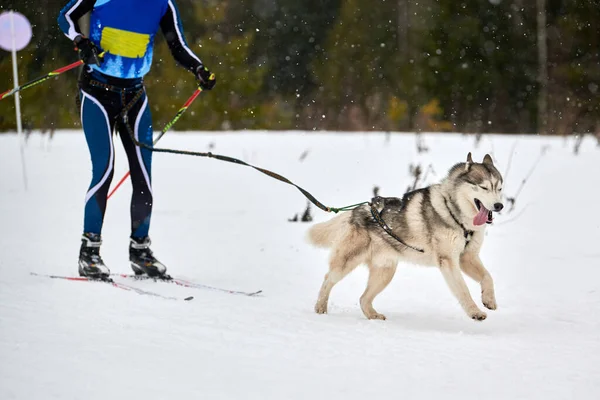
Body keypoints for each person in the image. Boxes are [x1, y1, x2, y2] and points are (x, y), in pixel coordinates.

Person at [57, 0, 216, 279]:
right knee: (104, 169)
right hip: (96, 93)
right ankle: (89, 252)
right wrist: (81, 41)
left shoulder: (163, 3)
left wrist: (198, 69)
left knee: (143, 174)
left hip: (134, 97)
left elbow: (177, 45)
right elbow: (66, 16)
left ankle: (140, 251)